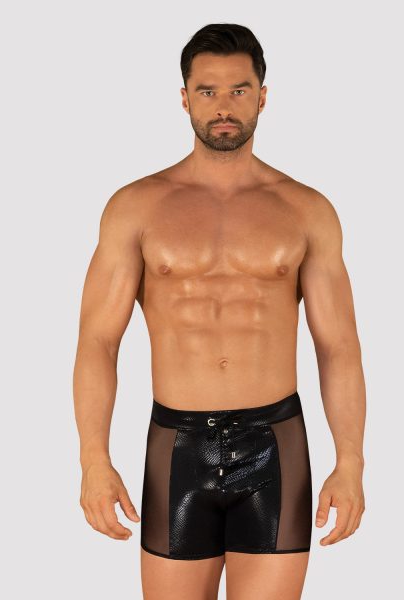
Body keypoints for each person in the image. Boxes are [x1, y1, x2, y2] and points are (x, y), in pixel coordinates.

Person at [73, 22, 366, 600]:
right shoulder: (136, 207)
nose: (223, 106)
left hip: (275, 444)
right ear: (185, 98)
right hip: (177, 445)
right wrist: (92, 459)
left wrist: (351, 461)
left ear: (263, 96)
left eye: (238, 89)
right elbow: (97, 341)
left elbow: (338, 347)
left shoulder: (306, 210)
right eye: (207, 91)